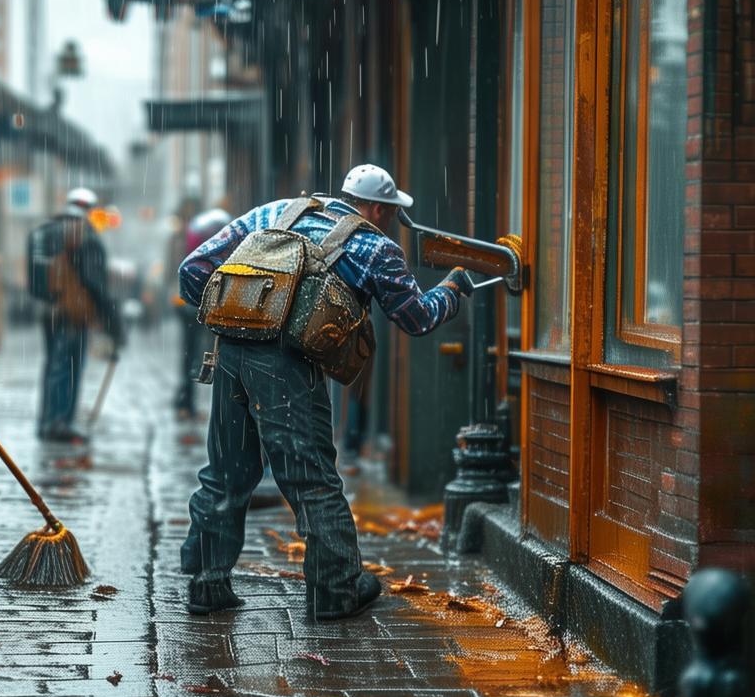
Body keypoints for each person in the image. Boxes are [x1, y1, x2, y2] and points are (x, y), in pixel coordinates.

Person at [177, 164, 474, 620]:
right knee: (311, 478)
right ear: (377, 207)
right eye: (390, 212)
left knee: (227, 471)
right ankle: (336, 591)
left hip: (231, 357)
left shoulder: (273, 213)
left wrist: (232, 320)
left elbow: (193, 269)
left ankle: (207, 584)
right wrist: (453, 290)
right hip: (289, 369)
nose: (390, 220)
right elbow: (417, 319)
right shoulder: (376, 247)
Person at [28, 188, 123, 444]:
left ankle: (46, 421)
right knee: (70, 368)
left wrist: (50, 298)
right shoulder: (85, 235)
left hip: (48, 311)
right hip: (73, 312)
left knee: (52, 366)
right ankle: (60, 422)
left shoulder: (43, 232)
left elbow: (33, 278)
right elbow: (96, 283)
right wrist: (114, 324)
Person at [173, 207, 232, 417]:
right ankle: (185, 402)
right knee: (195, 354)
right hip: (193, 304)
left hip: (190, 302)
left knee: (192, 354)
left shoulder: (189, 236)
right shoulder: (197, 239)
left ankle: (184, 401)